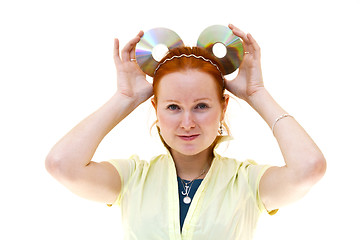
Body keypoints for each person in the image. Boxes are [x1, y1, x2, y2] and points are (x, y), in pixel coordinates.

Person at [45, 24, 326, 239]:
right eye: (173, 107)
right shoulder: (132, 178)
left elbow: (309, 168)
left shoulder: (247, 183)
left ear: (223, 107)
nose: (188, 123)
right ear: (155, 108)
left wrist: (257, 93)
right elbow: (61, 164)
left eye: (201, 106)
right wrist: (124, 98)